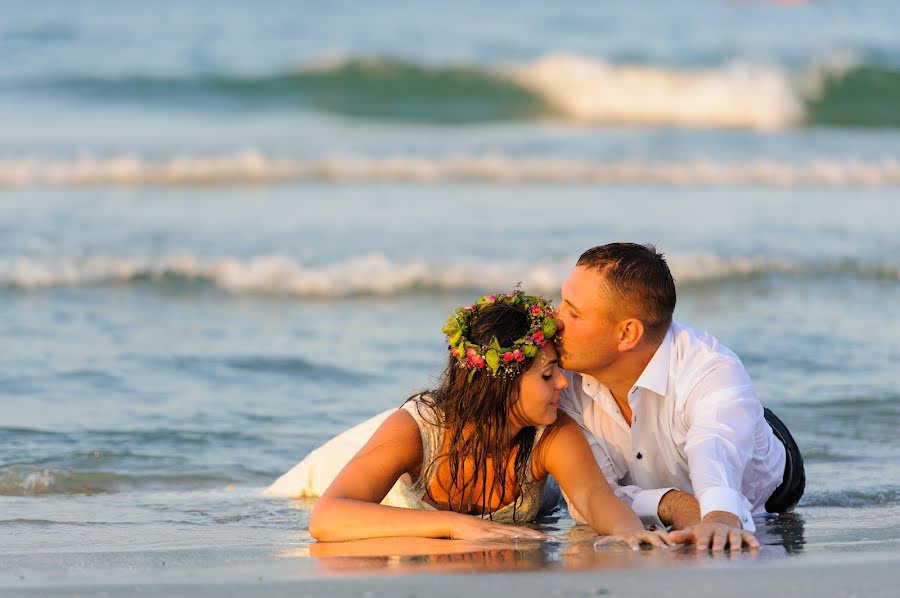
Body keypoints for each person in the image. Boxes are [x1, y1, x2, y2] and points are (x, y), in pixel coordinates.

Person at [300, 289, 674, 547]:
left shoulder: (552, 431)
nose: (564, 382)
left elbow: (595, 499)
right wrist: (456, 525)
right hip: (372, 451)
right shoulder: (416, 429)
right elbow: (328, 517)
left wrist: (629, 533)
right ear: (502, 385)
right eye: (547, 374)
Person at [556, 242, 805, 552]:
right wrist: (672, 505)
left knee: (726, 416)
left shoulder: (710, 369)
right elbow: (590, 500)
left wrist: (719, 516)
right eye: (561, 303)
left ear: (627, 334)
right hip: (674, 460)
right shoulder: (560, 380)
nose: (555, 320)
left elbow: (716, 448)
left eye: (573, 312)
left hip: (765, 480)